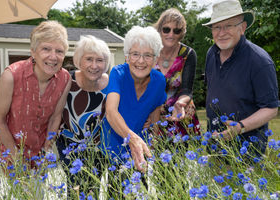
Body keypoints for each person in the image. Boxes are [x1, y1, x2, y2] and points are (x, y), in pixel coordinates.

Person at [203, 0, 278, 156]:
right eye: (217, 27)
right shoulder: (211, 53)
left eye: (228, 25)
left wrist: (240, 127)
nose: (221, 33)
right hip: (214, 145)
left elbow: (271, 109)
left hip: (246, 151)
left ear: (242, 28)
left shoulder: (259, 61)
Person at [0, 20, 71, 166]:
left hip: (38, 158)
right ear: (33, 52)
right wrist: (16, 158)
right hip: (8, 155)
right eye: (46, 49)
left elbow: (55, 118)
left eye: (59, 51)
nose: (53, 57)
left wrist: (46, 151)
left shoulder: (65, 78)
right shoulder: (12, 75)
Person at [99, 26, 167, 172]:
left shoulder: (160, 80)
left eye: (148, 55)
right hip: (113, 143)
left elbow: (156, 106)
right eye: (135, 54)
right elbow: (111, 111)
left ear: (155, 60)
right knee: (116, 191)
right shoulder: (118, 73)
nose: (141, 61)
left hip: (141, 146)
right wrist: (133, 140)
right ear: (127, 56)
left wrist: (153, 138)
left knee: (140, 190)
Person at [55, 35, 111, 198]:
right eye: (89, 59)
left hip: (99, 147)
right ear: (79, 61)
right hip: (69, 145)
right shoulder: (66, 79)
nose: (94, 66)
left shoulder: (112, 82)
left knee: (93, 186)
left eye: (100, 60)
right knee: (75, 188)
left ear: (105, 63)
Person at [153, 8, 200, 138]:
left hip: (180, 115)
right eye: (166, 29)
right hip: (152, 116)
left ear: (182, 33)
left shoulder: (188, 54)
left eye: (177, 30)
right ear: (160, 30)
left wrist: (180, 103)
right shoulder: (149, 52)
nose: (171, 34)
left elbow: (187, 90)